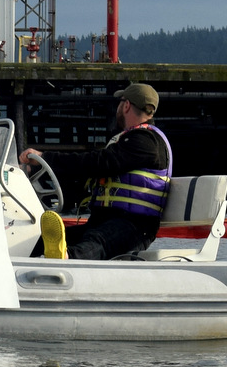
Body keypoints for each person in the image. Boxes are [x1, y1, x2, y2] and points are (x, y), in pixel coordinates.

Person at [18, 83, 172, 260]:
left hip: (134, 226)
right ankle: (13, 259)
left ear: (127, 105)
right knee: (41, 241)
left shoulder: (147, 142)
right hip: (105, 221)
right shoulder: (130, 140)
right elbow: (90, 170)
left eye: (120, 102)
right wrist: (36, 168)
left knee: (96, 241)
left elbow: (97, 163)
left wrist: (46, 157)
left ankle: (66, 259)